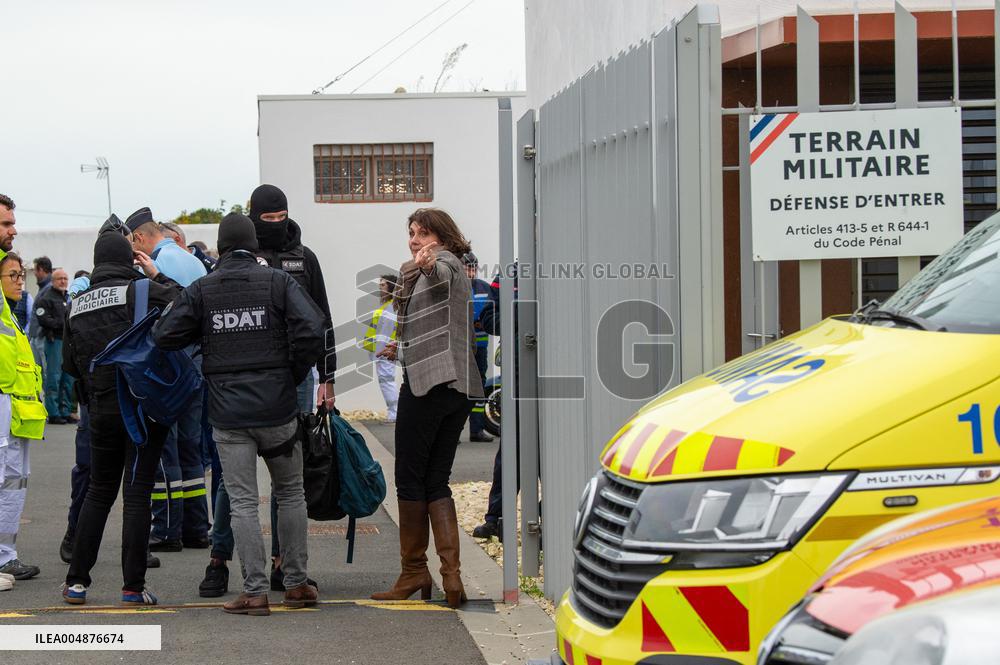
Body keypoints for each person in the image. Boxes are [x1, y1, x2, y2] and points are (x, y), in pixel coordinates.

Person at [153, 213, 326, 616]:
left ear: (221, 247)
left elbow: (165, 334)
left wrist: (203, 339)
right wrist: (291, 373)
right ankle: (296, 583)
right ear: (253, 245)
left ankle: (255, 592)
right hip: (278, 410)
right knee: (291, 493)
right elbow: (312, 327)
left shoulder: (203, 288)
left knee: (243, 502)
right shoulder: (278, 281)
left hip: (229, 414)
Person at [371, 208, 484, 609]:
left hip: (430, 388)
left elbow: (442, 276)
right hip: (455, 388)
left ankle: (414, 571)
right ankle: (451, 578)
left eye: (423, 233)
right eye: (412, 233)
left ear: (443, 237)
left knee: (409, 478)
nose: (415, 240)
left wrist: (429, 264)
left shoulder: (446, 263)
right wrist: (399, 347)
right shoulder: (421, 271)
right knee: (435, 481)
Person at [61, 231, 180, 606]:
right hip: (141, 409)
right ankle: (132, 587)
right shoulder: (142, 290)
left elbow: (69, 365)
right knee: (137, 492)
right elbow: (186, 302)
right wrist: (157, 274)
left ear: (97, 263)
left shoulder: (76, 305)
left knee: (99, 490)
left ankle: (76, 583)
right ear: (130, 260)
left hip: (99, 410)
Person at [245, 184, 336, 590]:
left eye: (282, 218)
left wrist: (328, 377)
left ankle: (283, 562)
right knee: (237, 481)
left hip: (297, 378)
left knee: (289, 478)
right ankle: (220, 559)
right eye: (268, 220)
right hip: (251, 376)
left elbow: (323, 319)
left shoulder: (305, 257)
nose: (276, 225)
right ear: (254, 218)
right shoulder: (242, 256)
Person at [126, 207, 211, 552]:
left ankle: (166, 529)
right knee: (192, 450)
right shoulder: (194, 261)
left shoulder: (156, 266)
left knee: (165, 450)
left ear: (140, 238)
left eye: (132, 244)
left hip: (169, 369)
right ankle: (196, 527)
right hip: (198, 366)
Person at [0, 219, 48, 583]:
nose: (20, 281)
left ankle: (6, 555)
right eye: (13, 275)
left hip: (17, 413)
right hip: (5, 409)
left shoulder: (12, 317)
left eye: (23, 275)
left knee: (15, 482)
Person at [34, 268, 75, 425]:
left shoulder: (68, 298)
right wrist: (62, 324)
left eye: (65, 278)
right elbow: (43, 319)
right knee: (54, 377)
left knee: (68, 378)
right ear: (53, 281)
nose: (63, 281)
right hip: (54, 342)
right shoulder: (46, 298)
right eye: (60, 278)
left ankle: (65, 411)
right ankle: (53, 412)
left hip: (67, 342)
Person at [464, 252, 494, 442]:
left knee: (479, 388)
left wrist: (482, 321)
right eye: (467, 268)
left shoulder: (484, 287)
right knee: (458, 389)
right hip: (461, 347)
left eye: (473, 268)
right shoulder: (453, 287)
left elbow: (492, 311)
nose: (471, 272)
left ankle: (477, 430)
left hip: (480, 347)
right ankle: (452, 432)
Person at [363, 274, 399, 423]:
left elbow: (386, 332)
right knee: (386, 381)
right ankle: (394, 413)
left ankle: (394, 414)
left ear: (391, 287)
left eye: (383, 285)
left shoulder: (390, 306)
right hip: (384, 351)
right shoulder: (387, 305)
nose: (380, 287)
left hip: (385, 352)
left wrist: (380, 352)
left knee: (387, 381)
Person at [27, 256, 52, 379]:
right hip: (38, 337)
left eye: (35, 270)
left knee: (46, 372)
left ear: (41, 269)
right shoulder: (44, 288)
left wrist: (40, 333)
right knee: (39, 373)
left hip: (42, 338)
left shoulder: (50, 289)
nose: (35, 274)